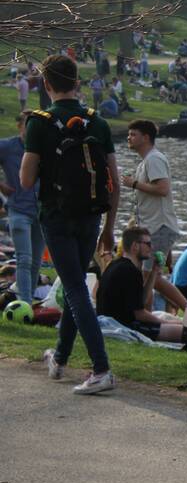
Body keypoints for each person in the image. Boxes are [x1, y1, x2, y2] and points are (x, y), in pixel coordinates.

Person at [21, 54, 120, 395]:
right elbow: (114, 183)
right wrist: (109, 228)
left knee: (75, 289)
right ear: (77, 82)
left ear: (45, 84)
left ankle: (101, 369)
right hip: (91, 215)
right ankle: (60, 358)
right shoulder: (97, 122)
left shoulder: (39, 123)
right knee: (73, 284)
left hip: (57, 215)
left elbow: (25, 180)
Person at [96, 226, 183, 342]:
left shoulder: (116, 264)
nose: (151, 247)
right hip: (123, 324)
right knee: (185, 332)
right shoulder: (130, 271)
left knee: (177, 325)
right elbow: (139, 314)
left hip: (113, 320)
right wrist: (166, 322)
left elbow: (141, 302)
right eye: (148, 244)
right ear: (135, 246)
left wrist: (154, 271)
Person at [120, 120, 180, 268]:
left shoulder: (154, 159)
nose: (128, 138)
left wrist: (134, 184)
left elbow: (162, 189)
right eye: (129, 134)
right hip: (151, 228)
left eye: (133, 134)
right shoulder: (145, 161)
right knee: (150, 274)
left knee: (150, 274)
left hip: (159, 227)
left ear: (146, 138)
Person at [0, 112, 43, 303]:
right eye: (28, 125)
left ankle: (28, 301)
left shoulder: (45, 147)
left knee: (36, 261)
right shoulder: (8, 147)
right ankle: (25, 302)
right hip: (18, 209)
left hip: (42, 211)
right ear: (19, 126)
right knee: (24, 259)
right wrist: (1, 186)